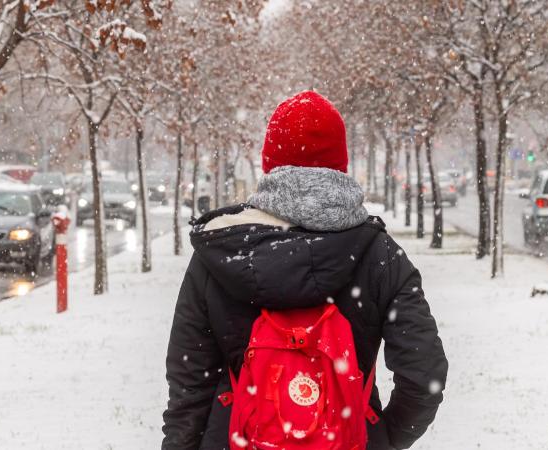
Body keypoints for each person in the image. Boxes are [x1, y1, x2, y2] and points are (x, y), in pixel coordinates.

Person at [162, 91, 448, 450]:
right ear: (340, 164)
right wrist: (383, 437)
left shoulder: (220, 252)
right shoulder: (379, 255)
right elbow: (425, 376)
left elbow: (188, 385)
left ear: (269, 163)